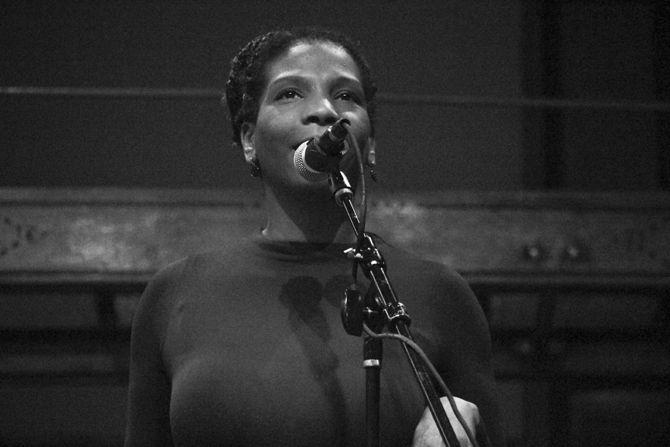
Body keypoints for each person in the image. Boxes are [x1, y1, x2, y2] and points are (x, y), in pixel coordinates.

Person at [124, 28, 504, 446]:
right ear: (249, 139)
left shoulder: (440, 294)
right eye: (289, 94)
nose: (324, 111)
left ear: (370, 145)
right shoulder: (176, 293)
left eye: (346, 97)